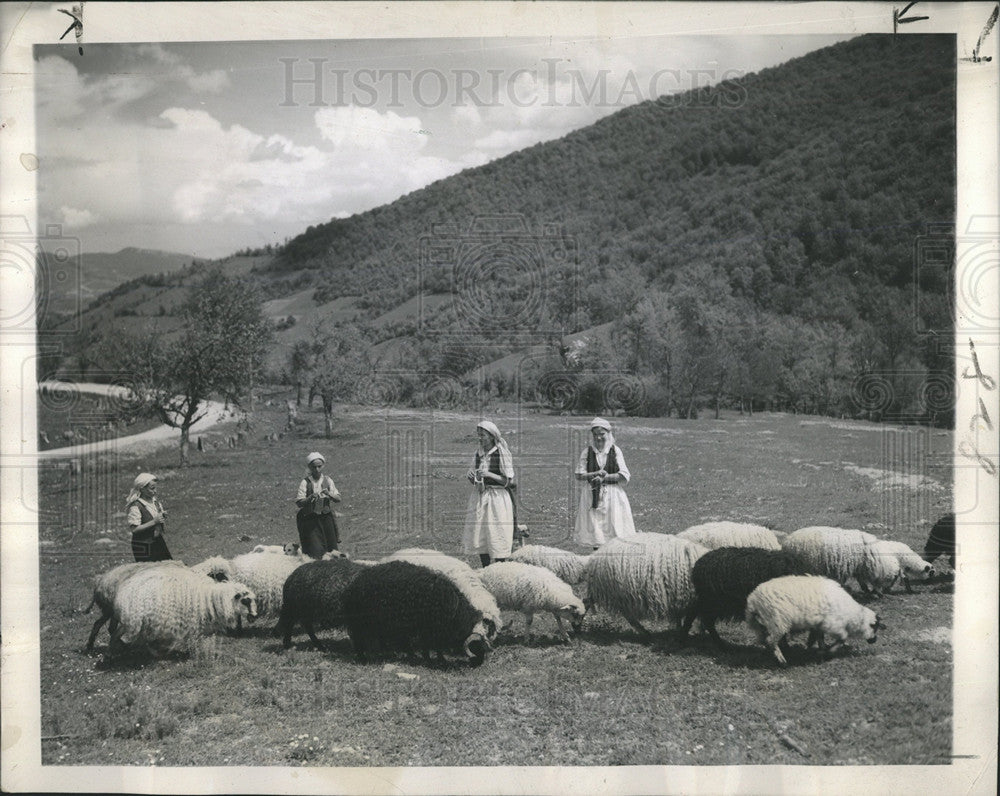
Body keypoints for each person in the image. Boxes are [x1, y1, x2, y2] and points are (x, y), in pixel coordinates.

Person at [573, 417, 636, 549]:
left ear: (608, 434)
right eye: (596, 435)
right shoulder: (587, 452)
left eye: (602, 434)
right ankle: (598, 561)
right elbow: (579, 474)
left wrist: (605, 478)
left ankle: (614, 562)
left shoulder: (615, 451)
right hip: (592, 495)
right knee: (597, 532)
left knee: (614, 531)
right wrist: (594, 474)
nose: (599, 438)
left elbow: (624, 475)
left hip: (613, 496)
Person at [463, 420, 516, 568]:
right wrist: (472, 477)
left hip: (498, 499)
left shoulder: (501, 453)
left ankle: (500, 569)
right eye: (478, 435)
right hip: (480, 497)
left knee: (497, 533)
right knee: (482, 534)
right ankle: (485, 568)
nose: (480, 438)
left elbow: (510, 482)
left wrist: (489, 474)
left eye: (483, 435)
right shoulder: (478, 454)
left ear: (492, 436)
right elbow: (476, 480)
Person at [295, 452, 341, 559]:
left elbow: (338, 498)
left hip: (326, 518)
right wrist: (310, 498)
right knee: (316, 549)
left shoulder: (327, 480)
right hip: (311, 520)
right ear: (309, 467)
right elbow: (299, 502)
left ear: (323, 466)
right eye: (314, 467)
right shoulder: (305, 482)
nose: (317, 469)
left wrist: (329, 494)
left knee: (332, 549)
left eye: (319, 466)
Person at [125, 472, 172, 562]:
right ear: (142, 489)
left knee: (167, 567)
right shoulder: (136, 506)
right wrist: (154, 521)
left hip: (157, 541)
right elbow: (134, 529)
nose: (155, 491)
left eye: (155, 488)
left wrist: (162, 515)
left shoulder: (155, 502)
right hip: (144, 545)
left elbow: (155, 515)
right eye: (152, 488)